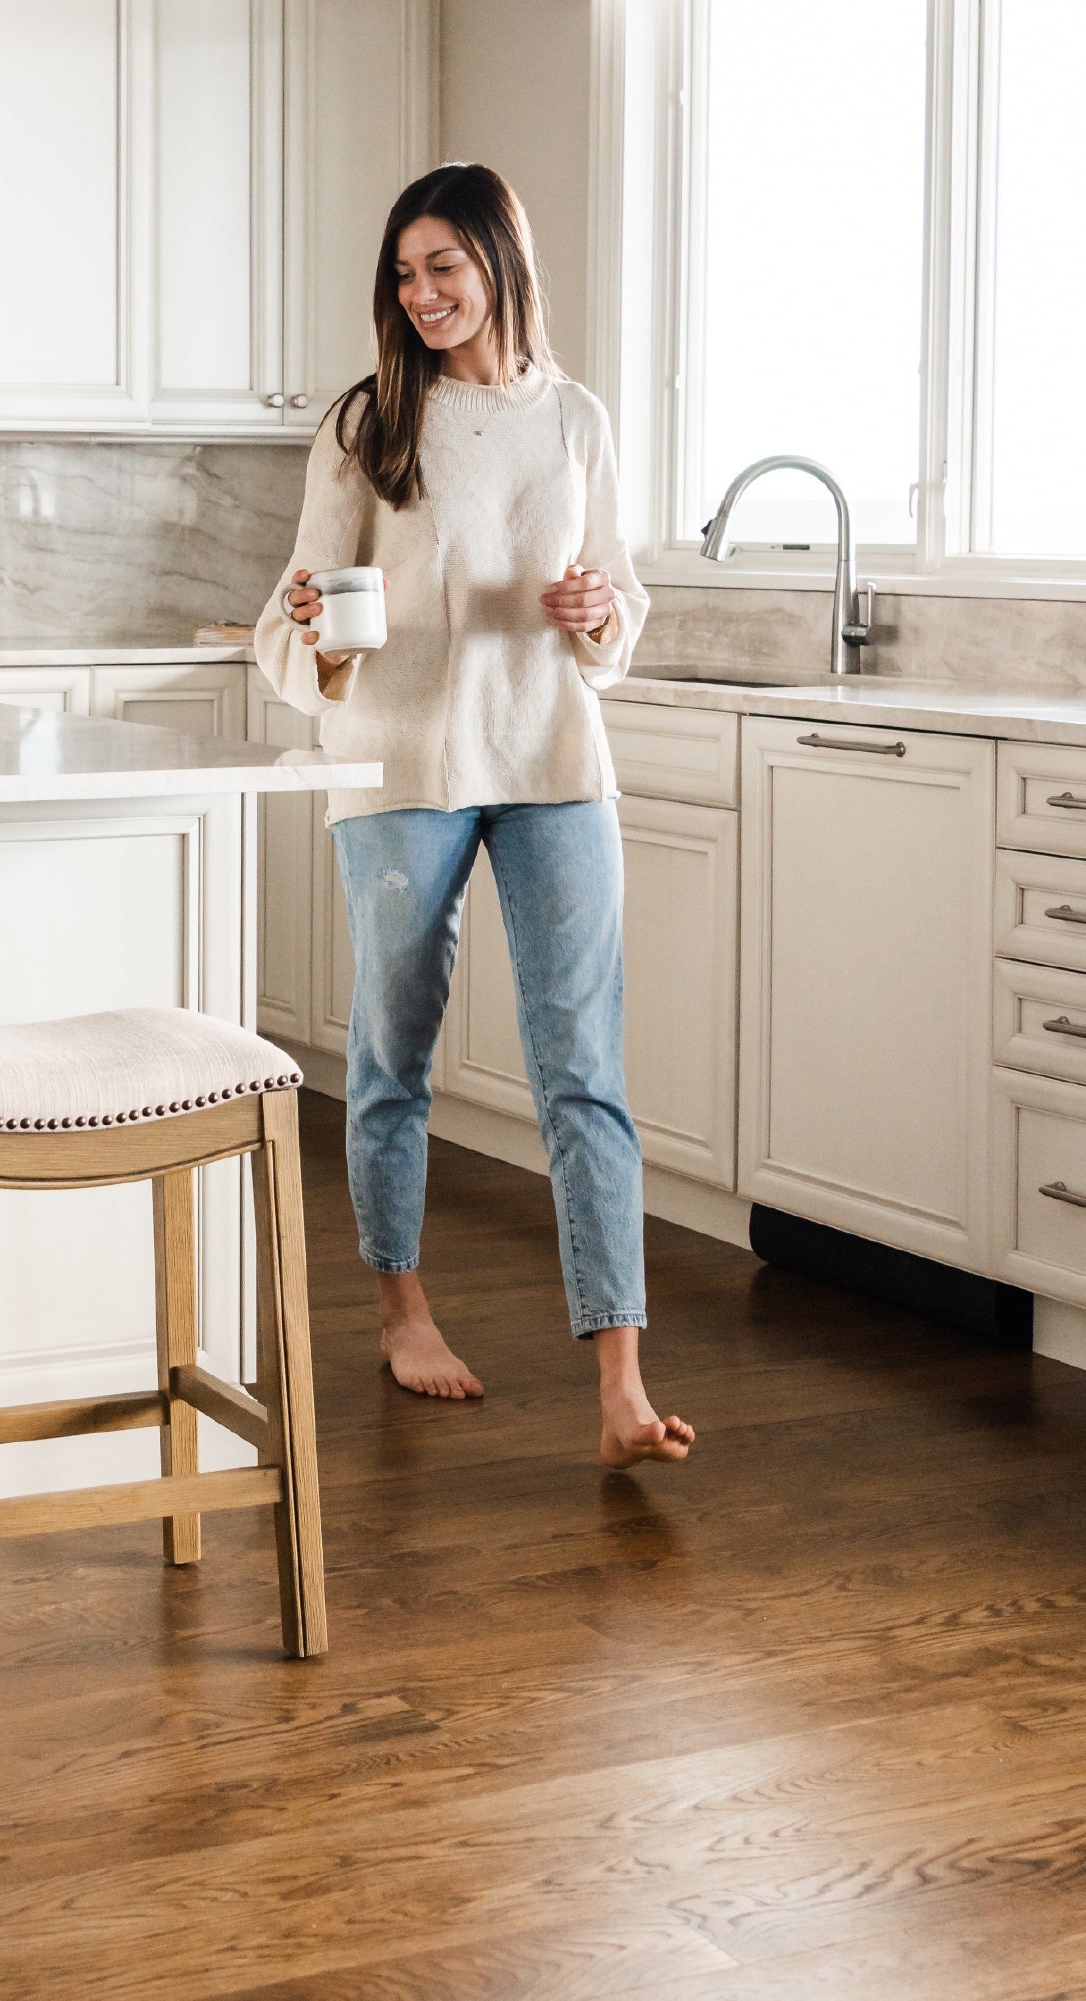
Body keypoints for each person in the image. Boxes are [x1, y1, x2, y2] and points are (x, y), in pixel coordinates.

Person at [254, 162, 694, 1468]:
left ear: (500, 261)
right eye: (404, 271)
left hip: (551, 758)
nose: (421, 292)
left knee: (584, 1065)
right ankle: (401, 1309)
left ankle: (620, 1386)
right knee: (393, 1047)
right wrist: (313, 631)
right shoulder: (368, 422)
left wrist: (598, 614)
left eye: (442, 265)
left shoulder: (575, 418)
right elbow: (296, 614)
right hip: (397, 766)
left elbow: (613, 600)